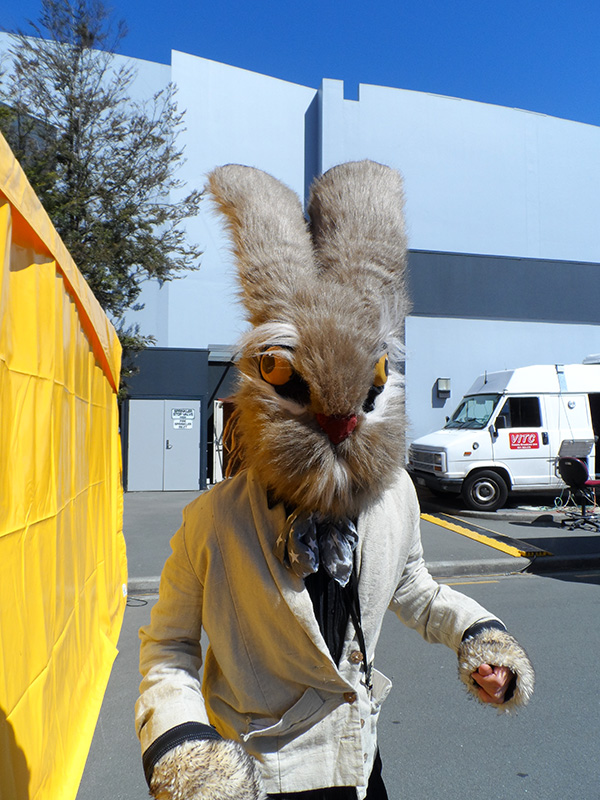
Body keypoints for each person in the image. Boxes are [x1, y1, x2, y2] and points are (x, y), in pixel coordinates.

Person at [135, 162, 534, 800]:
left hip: (358, 763)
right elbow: (169, 646)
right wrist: (184, 745)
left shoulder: (393, 499)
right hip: (254, 775)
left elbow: (413, 587)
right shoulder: (214, 521)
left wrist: (478, 635)